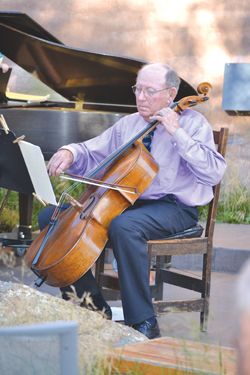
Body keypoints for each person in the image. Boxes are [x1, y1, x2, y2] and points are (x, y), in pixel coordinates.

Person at [39, 63, 227, 339]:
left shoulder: (192, 123)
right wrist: (71, 152)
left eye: (149, 91)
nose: (140, 97)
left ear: (170, 93)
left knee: (124, 227)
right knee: (51, 218)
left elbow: (214, 172)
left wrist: (177, 133)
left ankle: (144, 322)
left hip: (175, 208)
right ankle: (92, 310)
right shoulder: (129, 124)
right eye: (137, 89)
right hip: (128, 203)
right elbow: (94, 151)